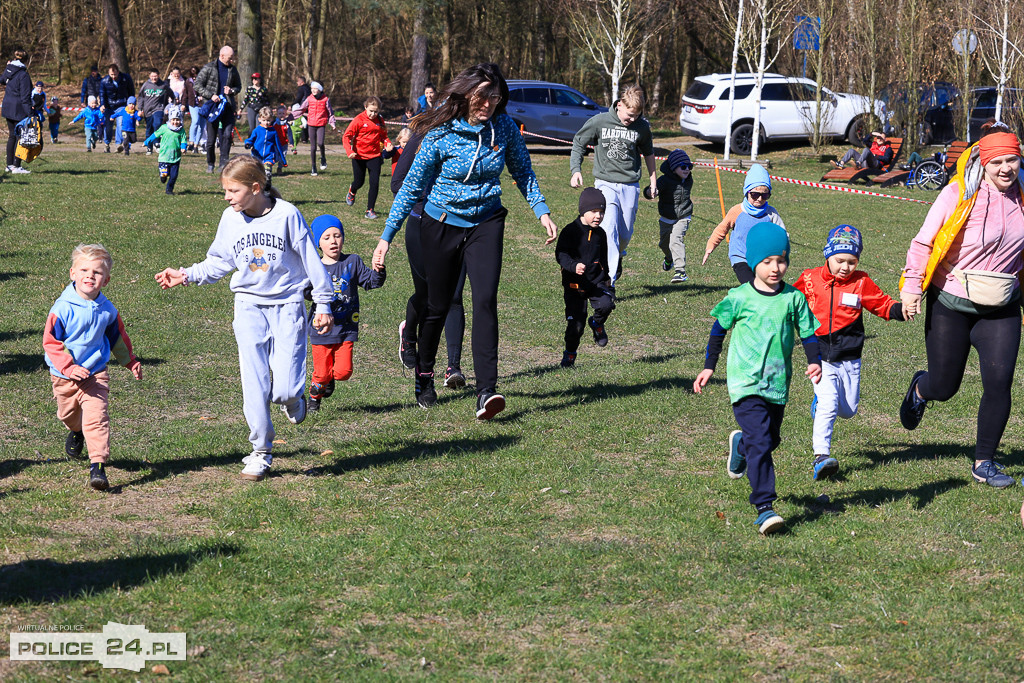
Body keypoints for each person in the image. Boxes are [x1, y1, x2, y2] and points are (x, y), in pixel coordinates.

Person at [372, 62, 558, 419]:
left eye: (494, 96)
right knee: (437, 305)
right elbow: (410, 187)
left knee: (485, 300)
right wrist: (386, 237)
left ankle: (486, 391)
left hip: (487, 220)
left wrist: (542, 211)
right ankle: (424, 373)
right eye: (481, 95)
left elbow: (522, 169)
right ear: (466, 94)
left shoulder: (503, 128)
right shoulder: (441, 133)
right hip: (440, 222)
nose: (487, 103)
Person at [155, 155, 334, 482]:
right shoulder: (231, 218)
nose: (226, 197)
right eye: (225, 190)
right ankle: (261, 452)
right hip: (248, 306)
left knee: (285, 389)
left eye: (232, 190)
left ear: (255, 188)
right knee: (254, 383)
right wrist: (186, 275)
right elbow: (219, 262)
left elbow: (312, 260)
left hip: (288, 305)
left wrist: (323, 303)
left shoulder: (287, 215)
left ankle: (294, 400)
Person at [897, 128, 1024, 489]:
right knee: (945, 385)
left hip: (1001, 307)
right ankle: (920, 390)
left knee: (1000, 383)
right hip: (950, 302)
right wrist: (911, 288)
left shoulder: (1023, 197)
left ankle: (984, 461)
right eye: (996, 162)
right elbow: (923, 242)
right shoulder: (958, 194)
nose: (1004, 168)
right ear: (982, 163)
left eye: (1011, 160)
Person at [693, 222, 821, 535]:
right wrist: (709, 366)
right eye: (767, 262)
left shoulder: (793, 298)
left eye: (781, 260)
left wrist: (814, 361)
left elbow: (808, 333)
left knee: (770, 439)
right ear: (753, 263)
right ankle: (765, 508)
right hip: (744, 382)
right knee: (762, 442)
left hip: (777, 383)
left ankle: (740, 446)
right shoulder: (739, 297)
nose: (775, 267)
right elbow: (718, 329)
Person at [793, 225, 907, 480]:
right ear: (827, 256)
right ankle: (821, 457)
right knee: (830, 405)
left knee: (849, 409)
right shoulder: (810, 278)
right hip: (820, 356)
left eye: (852, 261)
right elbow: (791, 300)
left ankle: (820, 403)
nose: (845, 267)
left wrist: (902, 310)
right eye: (839, 260)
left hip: (850, 357)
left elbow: (881, 303)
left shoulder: (861, 282)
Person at [44, 243, 143, 491]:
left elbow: (117, 339)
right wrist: (68, 367)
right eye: (84, 270)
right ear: (72, 274)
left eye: (97, 272)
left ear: (106, 280)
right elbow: (51, 343)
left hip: (95, 373)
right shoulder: (62, 308)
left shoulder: (108, 311)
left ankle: (97, 466)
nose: (90, 276)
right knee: (67, 415)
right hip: (64, 376)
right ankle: (77, 431)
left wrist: (129, 361)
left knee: (97, 418)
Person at [391, 128, 469, 390]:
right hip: (423, 224)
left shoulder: (467, 141)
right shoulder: (420, 138)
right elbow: (397, 182)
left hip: (459, 226)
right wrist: (428, 201)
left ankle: (453, 368)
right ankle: (409, 335)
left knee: (455, 296)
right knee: (427, 296)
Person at [570, 84, 657, 287]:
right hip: (605, 183)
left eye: (636, 115)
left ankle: (617, 255)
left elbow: (649, 153)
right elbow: (579, 142)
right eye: (629, 115)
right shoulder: (600, 121)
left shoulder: (642, 127)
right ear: (619, 105)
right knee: (608, 230)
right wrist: (576, 170)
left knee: (624, 234)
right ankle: (608, 283)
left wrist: (653, 181)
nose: (632, 120)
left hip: (630, 185)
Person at [305, 214, 387, 412]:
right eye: (327, 237)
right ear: (318, 243)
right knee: (321, 374)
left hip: (346, 327)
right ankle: (314, 398)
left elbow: (372, 282)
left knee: (343, 372)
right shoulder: (314, 266)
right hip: (321, 329)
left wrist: (378, 270)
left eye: (337, 235)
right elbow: (306, 292)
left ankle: (329, 380)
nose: (333, 241)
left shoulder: (352, 262)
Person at [555, 187, 615, 368]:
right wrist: (573, 266)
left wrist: (607, 279)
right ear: (583, 211)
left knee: (607, 304)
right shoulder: (570, 231)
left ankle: (596, 323)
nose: (598, 216)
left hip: (596, 282)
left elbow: (604, 258)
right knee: (576, 326)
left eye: (602, 212)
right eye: (594, 212)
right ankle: (570, 355)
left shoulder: (601, 234)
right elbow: (561, 254)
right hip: (574, 285)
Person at [703, 164, 786, 284]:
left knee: (769, 286)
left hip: (763, 258)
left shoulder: (771, 213)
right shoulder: (737, 211)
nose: (759, 199)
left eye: (765, 195)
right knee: (752, 286)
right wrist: (710, 247)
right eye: (755, 194)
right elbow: (721, 229)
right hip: (740, 257)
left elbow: (782, 233)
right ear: (747, 192)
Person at [343, 95, 392, 219]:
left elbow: (384, 136)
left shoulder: (380, 120)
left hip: (375, 156)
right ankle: (352, 190)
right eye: (371, 111)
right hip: (358, 156)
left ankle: (370, 210)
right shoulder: (358, 120)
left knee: (374, 183)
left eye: (376, 112)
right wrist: (349, 151)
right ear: (365, 107)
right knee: (359, 182)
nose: (373, 114)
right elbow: (346, 136)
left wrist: (388, 143)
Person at [194, 46, 241, 172]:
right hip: (212, 108)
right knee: (211, 140)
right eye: (230, 58)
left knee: (227, 136)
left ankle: (223, 164)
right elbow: (197, 85)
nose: (232, 60)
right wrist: (211, 95)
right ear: (222, 56)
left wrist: (232, 90)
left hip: (228, 107)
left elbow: (238, 86)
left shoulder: (233, 70)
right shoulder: (209, 68)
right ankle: (210, 163)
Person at [655, 148, 694, 284]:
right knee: (664, 244)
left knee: (675, 240)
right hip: (666, 216)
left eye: (689, 166)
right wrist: (649, 192)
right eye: (683, 166)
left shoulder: (688, 180)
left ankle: (680, 272)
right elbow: (652, 190)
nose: (687, 170)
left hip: (683, 215)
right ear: (673, 168)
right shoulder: (664, 180)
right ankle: (669, 258)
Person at [143, 105, 189, 194]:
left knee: (174, 176)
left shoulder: (181, 130)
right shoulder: (164, 128)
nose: (175, 122)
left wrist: (183, 148)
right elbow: (155, 135)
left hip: (176, 157)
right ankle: (163, 176)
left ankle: (169, 189)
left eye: (177, 120)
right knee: (164, 174)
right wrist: (146, 142)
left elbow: (183, 140)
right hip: (164, 156)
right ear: (170, 120)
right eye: (173, 120)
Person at [1, 49, 33, 174]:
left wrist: (7, 67)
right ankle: (16, 166)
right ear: (26, 60)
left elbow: (2, 80)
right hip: (18, 109)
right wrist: (29, 114)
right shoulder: (23, 75)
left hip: (7, 106)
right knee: (20, 137)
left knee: (12, 137)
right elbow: (25, 97)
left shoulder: (9, 69)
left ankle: (9, 165)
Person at [244, 106, 287, 185]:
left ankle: (268, 180)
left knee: (267, 170)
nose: (266, 122)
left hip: (269, 155)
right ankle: (258, 183)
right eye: (264, 120)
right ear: (259, 119)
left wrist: (283, 160)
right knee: (257, 172)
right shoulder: (257, 130)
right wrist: (248, 144)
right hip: (257, 155)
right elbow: (250, 140)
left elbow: (278, 145)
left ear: (271, 119)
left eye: (268, 120)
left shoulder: (273, 131)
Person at [300, 81, 335, 176]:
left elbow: (330, 113)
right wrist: (292, 116)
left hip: (321, 124)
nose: (313, 90)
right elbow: (301, 109)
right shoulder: (309, 99)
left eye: (315, 88)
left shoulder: (325, 99)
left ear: (320, 89)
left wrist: (332, 123)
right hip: (311, 124)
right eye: (312, 89)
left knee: (320, 143)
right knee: (313, 147)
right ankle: (313, 167)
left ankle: (323, 158)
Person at [99, 64, 134, 153]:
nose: (113, 76)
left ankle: (118, 144)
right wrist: (102, 105)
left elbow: (131, 92)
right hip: (109, 107)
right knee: (108, 127)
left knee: (120, 124)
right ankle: (107, 144)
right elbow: (102, 94)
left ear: (118, 72)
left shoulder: (126, 79)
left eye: (115, 74)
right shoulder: (104, 81)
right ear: (108, 73)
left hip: (121, 105)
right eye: (111, 75)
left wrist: (131, 104)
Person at [137, 68, 169, 154]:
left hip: (159, 108)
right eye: (152, 76)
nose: (154, 78)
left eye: (155, 76)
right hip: (147, 110)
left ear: (158, 75)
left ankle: (157, 143)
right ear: (149, 76)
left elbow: (170, 94)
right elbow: (140, 97)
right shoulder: (146, 85)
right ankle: (149, 147)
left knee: (157, 123)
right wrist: (140, 109)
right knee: (149, 129)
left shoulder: (163, 85)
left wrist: (171, 103)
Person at [185, 66, 205, 152]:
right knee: (195, 121)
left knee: (201, 125)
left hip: (203, 105)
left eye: (196, 75)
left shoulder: (204, 81)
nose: (195, 77)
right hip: (193, 104)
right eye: (193, 75)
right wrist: (183, 103)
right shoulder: (188, 82)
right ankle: (191, 142)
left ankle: (196, 145)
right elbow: (185, 93)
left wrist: (203, 97)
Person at [273, 104, 294, 169]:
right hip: (275, 143)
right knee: (276, 156)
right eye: (279, 113)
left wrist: (291, 142)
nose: (281, 115)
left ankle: (279, 168)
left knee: (283, 155)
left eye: (283, 113)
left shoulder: (286, 124)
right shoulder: (274, 123)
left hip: (284, 143)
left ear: (286, 114)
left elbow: (290, 134)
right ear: (277, 114)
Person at [294, 75, 312, 143]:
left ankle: (304, 138)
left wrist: (293, 104)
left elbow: (299, 98)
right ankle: (309, 136)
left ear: (301, 82)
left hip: (303, 107)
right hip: (310, 107)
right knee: (308, 122)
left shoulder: (301, 88)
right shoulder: (309, 88)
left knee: (303, 121)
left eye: (297, 81)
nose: (297, 83)